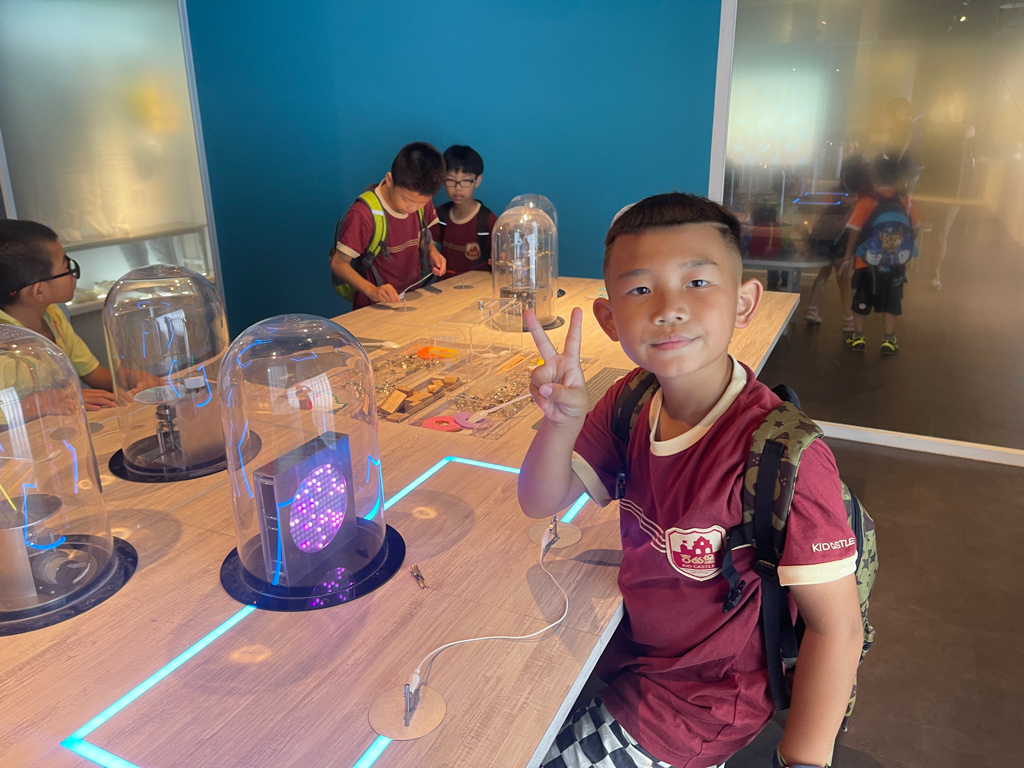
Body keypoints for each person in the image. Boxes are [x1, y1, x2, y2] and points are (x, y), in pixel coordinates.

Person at [519, 193, 863, 768]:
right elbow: (540, 501)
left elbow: (838, 629)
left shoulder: (783, 454)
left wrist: (800, 761)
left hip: (701, 703)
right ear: (609, 319)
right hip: (632, 655)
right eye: (639, 289)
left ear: (744, 303)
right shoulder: (631, 400)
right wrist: (561, 424)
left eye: (698, 283)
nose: (669, 309)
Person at [0, 219, 117, 410]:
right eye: (66, 266)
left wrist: (132, 379)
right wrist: (45, 402)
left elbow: (94, 374)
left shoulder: (52, 316)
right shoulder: (4, 340)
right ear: (39, 291)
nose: (73, 273)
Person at [330, 142, 447, 309]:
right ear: (390, 180)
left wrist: (432, 252)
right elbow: (338, 264)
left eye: (422, 203)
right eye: (406, 200)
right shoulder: (363, 214)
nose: (412, 208)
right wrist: (372, 291)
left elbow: (420, 234)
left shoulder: (419, 199)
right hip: (373, 307)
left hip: (411, 301)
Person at [841, 153, 919, 355]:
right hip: (895, 263)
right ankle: (889, 340)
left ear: (875, 177)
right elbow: (915, 228)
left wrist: (847, 258)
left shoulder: (867, 201)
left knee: (861, 298)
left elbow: (854, 232)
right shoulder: (904, 201)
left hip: (865, 262)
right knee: (892, 301)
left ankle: (858, 337)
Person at [803, 156, 873, 329]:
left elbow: (820, 215)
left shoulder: (832, 193)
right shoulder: (858, 200)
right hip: (840, 244)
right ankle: (848, 319)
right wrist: (849, 255)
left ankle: (812, 309)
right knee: (844, 281)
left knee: (824, 273)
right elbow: (853, 229)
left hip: (823, 241)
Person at [435, 145, 498, 277]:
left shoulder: (487, 220)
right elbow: (426, 247)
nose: (458, 188)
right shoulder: (439, 215)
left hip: (479, 285)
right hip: (445, 285)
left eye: (465, 181)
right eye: (451, 180)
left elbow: (501, 257)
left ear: (477, 180)